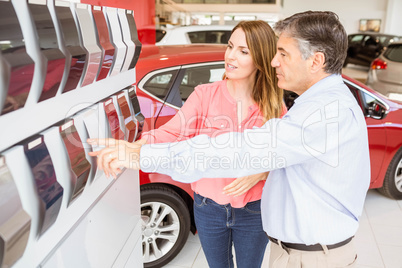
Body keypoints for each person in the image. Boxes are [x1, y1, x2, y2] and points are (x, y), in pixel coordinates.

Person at [89, 11, 371, 267]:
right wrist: (139, 147)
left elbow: (243, 151)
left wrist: (140, 156)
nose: (275, 61)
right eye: (230, 46)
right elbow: (182, 134)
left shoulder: (316, 112)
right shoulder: (310, 105)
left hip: (288, 237)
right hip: (222, 212)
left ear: (316, 60)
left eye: (283, 54)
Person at [89, 20, 285, 268]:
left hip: (253, 210)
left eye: (243, 51)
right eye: (230, 46)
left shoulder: (273, 106)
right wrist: (134, 147)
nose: (231, 56)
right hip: (208, 207)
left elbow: (285, 157)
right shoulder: (205, 95)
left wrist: (261, 172)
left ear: (260, 58)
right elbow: (170, 133)